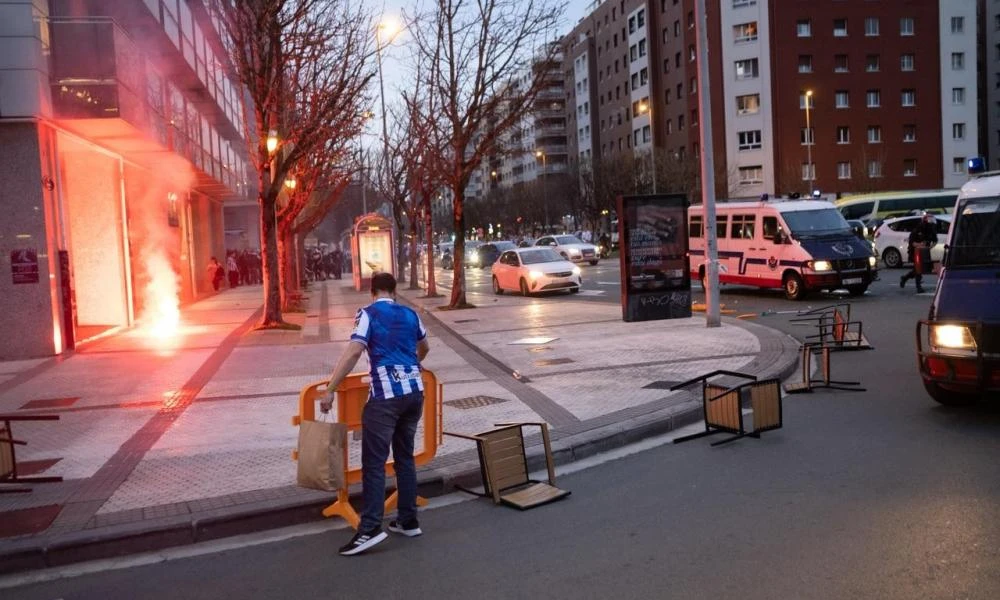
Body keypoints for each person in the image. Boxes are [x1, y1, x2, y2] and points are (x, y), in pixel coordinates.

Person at [320, 272, 430, 556]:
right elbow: (425, 347)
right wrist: (409, 366)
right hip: (414, 393)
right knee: (405, 457)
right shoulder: (410, 314)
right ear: (394, 291)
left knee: (374, 462)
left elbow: (355, 351)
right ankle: (408, 520)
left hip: (385, 398)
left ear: (372, 292)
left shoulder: (367, 314)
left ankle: (369, 528)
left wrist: (331, 387)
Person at [900, 213, 938, 293]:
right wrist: (920, 244)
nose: (931, 223)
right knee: (918, 269)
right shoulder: (917, 230)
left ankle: (905, 278)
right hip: (915, 251)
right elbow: (912, 242)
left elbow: (935, 241)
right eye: (929, 221)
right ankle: (918, 287)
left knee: (921, 268)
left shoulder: (931, 230)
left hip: (925, 251)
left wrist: (929, 247)